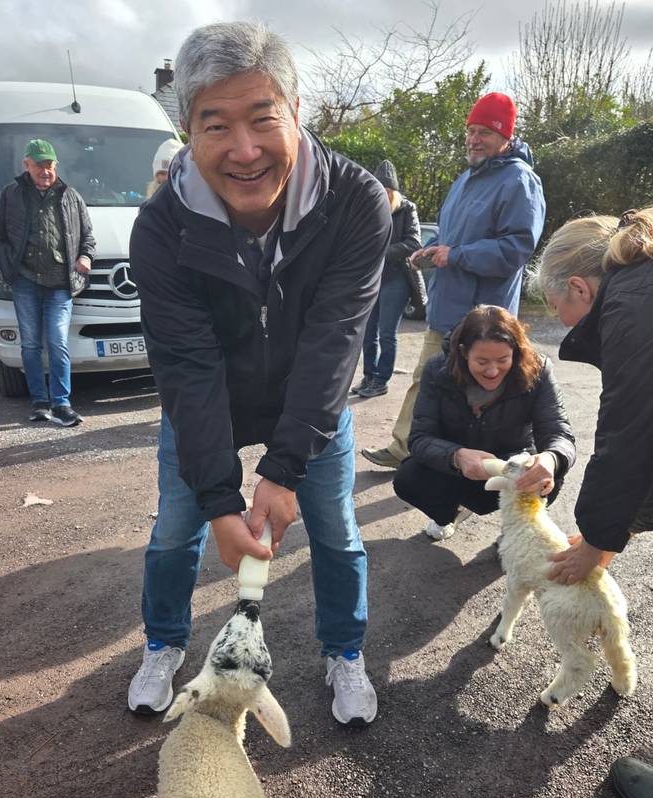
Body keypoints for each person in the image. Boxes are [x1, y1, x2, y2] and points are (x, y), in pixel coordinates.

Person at [126, 22, 391, 725]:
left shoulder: (356, 201)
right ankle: (163, 643)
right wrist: (220, 498)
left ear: (297, 111)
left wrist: (284, 466)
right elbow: (187, 364)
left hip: (309, 405)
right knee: (175, 530)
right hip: (207, 405)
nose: (244, 151)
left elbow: (335, 339)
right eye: (216, 125)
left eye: (262, 118)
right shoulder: (160, 227)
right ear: (187, 129)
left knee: (337, 531)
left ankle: (344, 651)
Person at [534, 208, 653, 798]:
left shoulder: (632, 308)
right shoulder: (642, 281)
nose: (565, 326)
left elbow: (629, 434)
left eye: (560, 312)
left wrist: (599, 540)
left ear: (580, 288)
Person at [362, 92, 546, 468]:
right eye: (471, 131)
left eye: (485, 132)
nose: (474, 139)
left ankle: (471, 475)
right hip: (447, 308)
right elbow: (452, 237)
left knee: (474, 398)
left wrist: (457, 255)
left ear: (505, 137)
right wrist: (431, 251)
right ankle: (404, 447)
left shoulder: (520, 181)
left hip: (483, 318)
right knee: (425, 379)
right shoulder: (466, 178)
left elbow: (517, 248)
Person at [393, 305, 576, 540]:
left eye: (503, 360)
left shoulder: (538, 370)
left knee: (550, 476)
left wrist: (552, 458)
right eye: (481, 361)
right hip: (457, 469)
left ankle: (514, 527)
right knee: (409, 478)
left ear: (516, 352)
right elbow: (419, 438)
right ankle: (447, 515)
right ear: (463, 352)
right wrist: (456, 456)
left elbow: (558, 431)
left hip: (511, 463)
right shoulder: (437, 370)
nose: (492, 371)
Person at [0, 139, 96, 426]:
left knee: (58, 342)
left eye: (49, 165)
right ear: (27, 165)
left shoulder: (71, 196)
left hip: (61, 284)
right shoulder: (11, 194)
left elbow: (88, 236)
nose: (45, 171)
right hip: (25, 282)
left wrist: (85, 256)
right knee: (31, 344)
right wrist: (9, 263)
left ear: (55, 165)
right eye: (39, 165)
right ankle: (39, 401)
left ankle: (61, 403)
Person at [351, 159, 421, 398]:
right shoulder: (368, 208)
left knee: (387, 333)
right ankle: (369, 376)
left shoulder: (407, 209)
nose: (381, 194)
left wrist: (381, 254)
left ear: (393, 191)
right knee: (367, 333)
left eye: (386, 190)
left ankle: (381, 380)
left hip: (397, 279)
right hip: (371, 279)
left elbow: (414, 243)